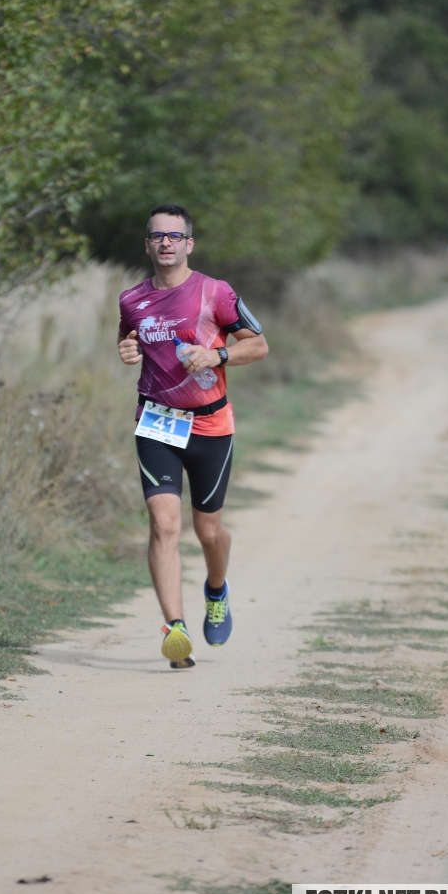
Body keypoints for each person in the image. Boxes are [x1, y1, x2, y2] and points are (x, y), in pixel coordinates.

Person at [117, 204, 268, 668]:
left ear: (189, 244)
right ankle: (175, 629)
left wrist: (218, 355)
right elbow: (131, 340)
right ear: (147, 245)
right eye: (157, 235)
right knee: (163, 524)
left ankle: (216, 591)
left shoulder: (214, 292)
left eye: (175, 235)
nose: (166, 242)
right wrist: (127, 349)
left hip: (210, 426)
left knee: (208, 531)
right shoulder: (131, 299)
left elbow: (258, 345)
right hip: (156, 423)